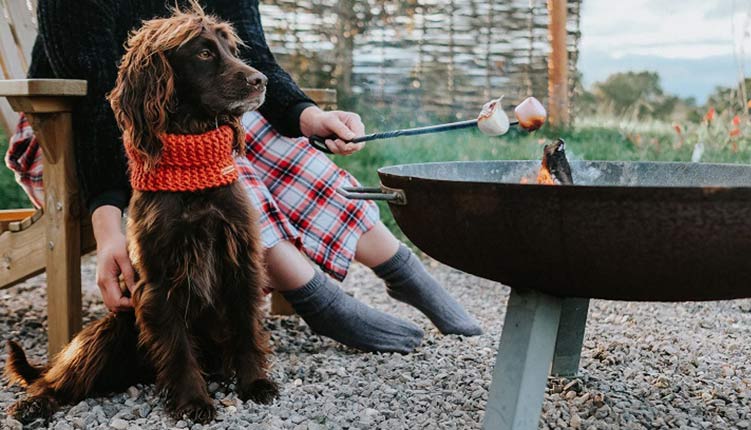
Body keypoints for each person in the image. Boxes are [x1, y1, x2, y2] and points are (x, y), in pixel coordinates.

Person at [5, 0, 482, 353]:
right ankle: (316, 297)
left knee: (260, 134)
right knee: (224, 154)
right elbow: (97, 109)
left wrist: (308, 116)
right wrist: (110, 232)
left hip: (195, 115)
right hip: (70, 133)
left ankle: (400, 269)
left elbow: (255, 62)